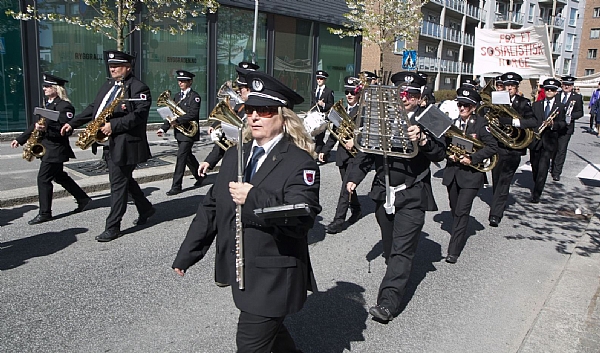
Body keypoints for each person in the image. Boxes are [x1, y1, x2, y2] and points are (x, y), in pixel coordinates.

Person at [172, 70, 321, 352]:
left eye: (264, 111)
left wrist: (252, 197)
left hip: (274, 275)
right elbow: (211, 207)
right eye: (250, 110)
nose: (254, 117)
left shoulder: (300, 163)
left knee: (250, 345)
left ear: (282, 117)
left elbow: (302, 218)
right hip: (243, 271)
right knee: (273, 337)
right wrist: (188, 253)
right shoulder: (235, 154)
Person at [346, 71, 446, 322]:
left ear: (419, 97)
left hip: (412, 193)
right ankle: (396, 272)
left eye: (411, 94)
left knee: (402, 251)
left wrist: (423, 139)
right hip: (383, 190)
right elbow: (366, 151)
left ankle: (387, 303)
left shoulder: (430, 117)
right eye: (401, 93)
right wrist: (354, 177)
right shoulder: (381, 117)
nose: (406, 98)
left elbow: (440, 153)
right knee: (391, 246)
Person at [61, 50, 155, 242]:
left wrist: (113, 125)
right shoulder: (108, 85)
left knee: (118, 185)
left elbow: (138, 116)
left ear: (128, 67)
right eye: (110, 66)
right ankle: (146, 208)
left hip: (127, 144)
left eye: (116, 66)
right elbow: (93, 107)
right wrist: (73, 123)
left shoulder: (139, 88)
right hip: (109, 144)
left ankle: (113, 227)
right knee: (125, 180)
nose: (112, 69)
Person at [11, 73, 91, 225]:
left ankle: (45, 213)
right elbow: (34, 125)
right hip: (47, 147)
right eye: (44, 86)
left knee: (43, 179)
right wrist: (20, 139)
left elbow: (64, 129)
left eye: (48, 86)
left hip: (56, 148)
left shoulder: (65, 106)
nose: (45, 88)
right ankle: (83, 199)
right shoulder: (45, 105)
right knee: (59, 176)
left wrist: (47, 126)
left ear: (57, 89)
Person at [443, 88, 497, 264]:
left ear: (473, 107)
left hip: (471, 175)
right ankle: (458, 231)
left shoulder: (481, 124)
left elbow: (492, 147)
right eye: (460, 104)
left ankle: (453, 250)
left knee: (461, 211)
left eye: (466, 105)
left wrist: (472, 158)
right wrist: (448, 154)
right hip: (453, 173)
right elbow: (444, 144)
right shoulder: (452, 123)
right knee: (454, 209)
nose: (462, 108)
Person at [488, 72, 536, 227]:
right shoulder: (497, 100)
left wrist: (512, 122)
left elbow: (532, 121)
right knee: (496, 178)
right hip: (498, 146)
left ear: (516, 87)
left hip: (514, 148)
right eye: (506, 86)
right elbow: (489, 116)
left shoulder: (523, 103)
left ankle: (495, 214)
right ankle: (498, 202)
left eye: (512, 86)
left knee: (504, 180)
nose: (509, 89)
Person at [320, 76, 363, 234]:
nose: (349, 95)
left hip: (356, 156)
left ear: (358, 93)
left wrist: (355, 140)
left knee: (345, 189)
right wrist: (324, 151)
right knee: (349, 187)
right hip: (342, 155)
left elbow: (369, 133)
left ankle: (338, 221)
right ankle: (357, 209)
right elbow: (334, 133)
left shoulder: (364, 111)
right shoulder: (342, 110)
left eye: (352, 92)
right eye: (347, 92)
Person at [200, 61, 259, 176]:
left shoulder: (263, 110)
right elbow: (228, 138)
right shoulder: (240, 107)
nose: (239, 90)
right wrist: (209, 161)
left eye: (242, 87)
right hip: (234, 162)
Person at [157, 70, 202, 195]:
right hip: (179, 132)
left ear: (190, 82)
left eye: (183, 81)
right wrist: (163, 128)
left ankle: (176, 186)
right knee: (188, 157)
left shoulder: (195, 96)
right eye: (179, 81)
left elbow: (193, 114)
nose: (180, 83)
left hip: (189, 133)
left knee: (181, 157)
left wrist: (178, 120)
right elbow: (171, 114)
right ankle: (200, 176)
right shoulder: (176, 96)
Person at [529, 78, 566, 203]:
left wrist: (553, 124)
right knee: (535, 166)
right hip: (536, 140)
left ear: (556, 92)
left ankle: (536, 194)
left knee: (543, 167)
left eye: (552, 90)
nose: (549, 91)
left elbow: (563, 124)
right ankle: (536, 182)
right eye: (547, 89)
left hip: (549, 141)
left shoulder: (560, 106)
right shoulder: (536, 105)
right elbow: (531, 120)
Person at [550, 75, 584, 182]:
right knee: (553, 148)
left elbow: (580, 112)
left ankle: (556, 172)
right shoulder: (557, 95)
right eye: (565, 84)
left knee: (561, 149)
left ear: (572, 86)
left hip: (567, 128)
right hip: (555, 126)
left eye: (569, 85)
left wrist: (570, 116)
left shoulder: (576, 97)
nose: (566, 87)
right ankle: (552, 166)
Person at [312, 70, 334, 161]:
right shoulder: (314, 90)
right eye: (318, 78)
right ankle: (325, 153)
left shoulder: (329, 91)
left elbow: (331, 105)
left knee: (319, 137)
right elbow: (312, 103)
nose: (319, 80)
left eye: (321, 79)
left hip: (323, 117)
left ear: (325, 80)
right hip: (315, 117)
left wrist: (323, 105)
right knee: (316, 137)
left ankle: (315, 157)